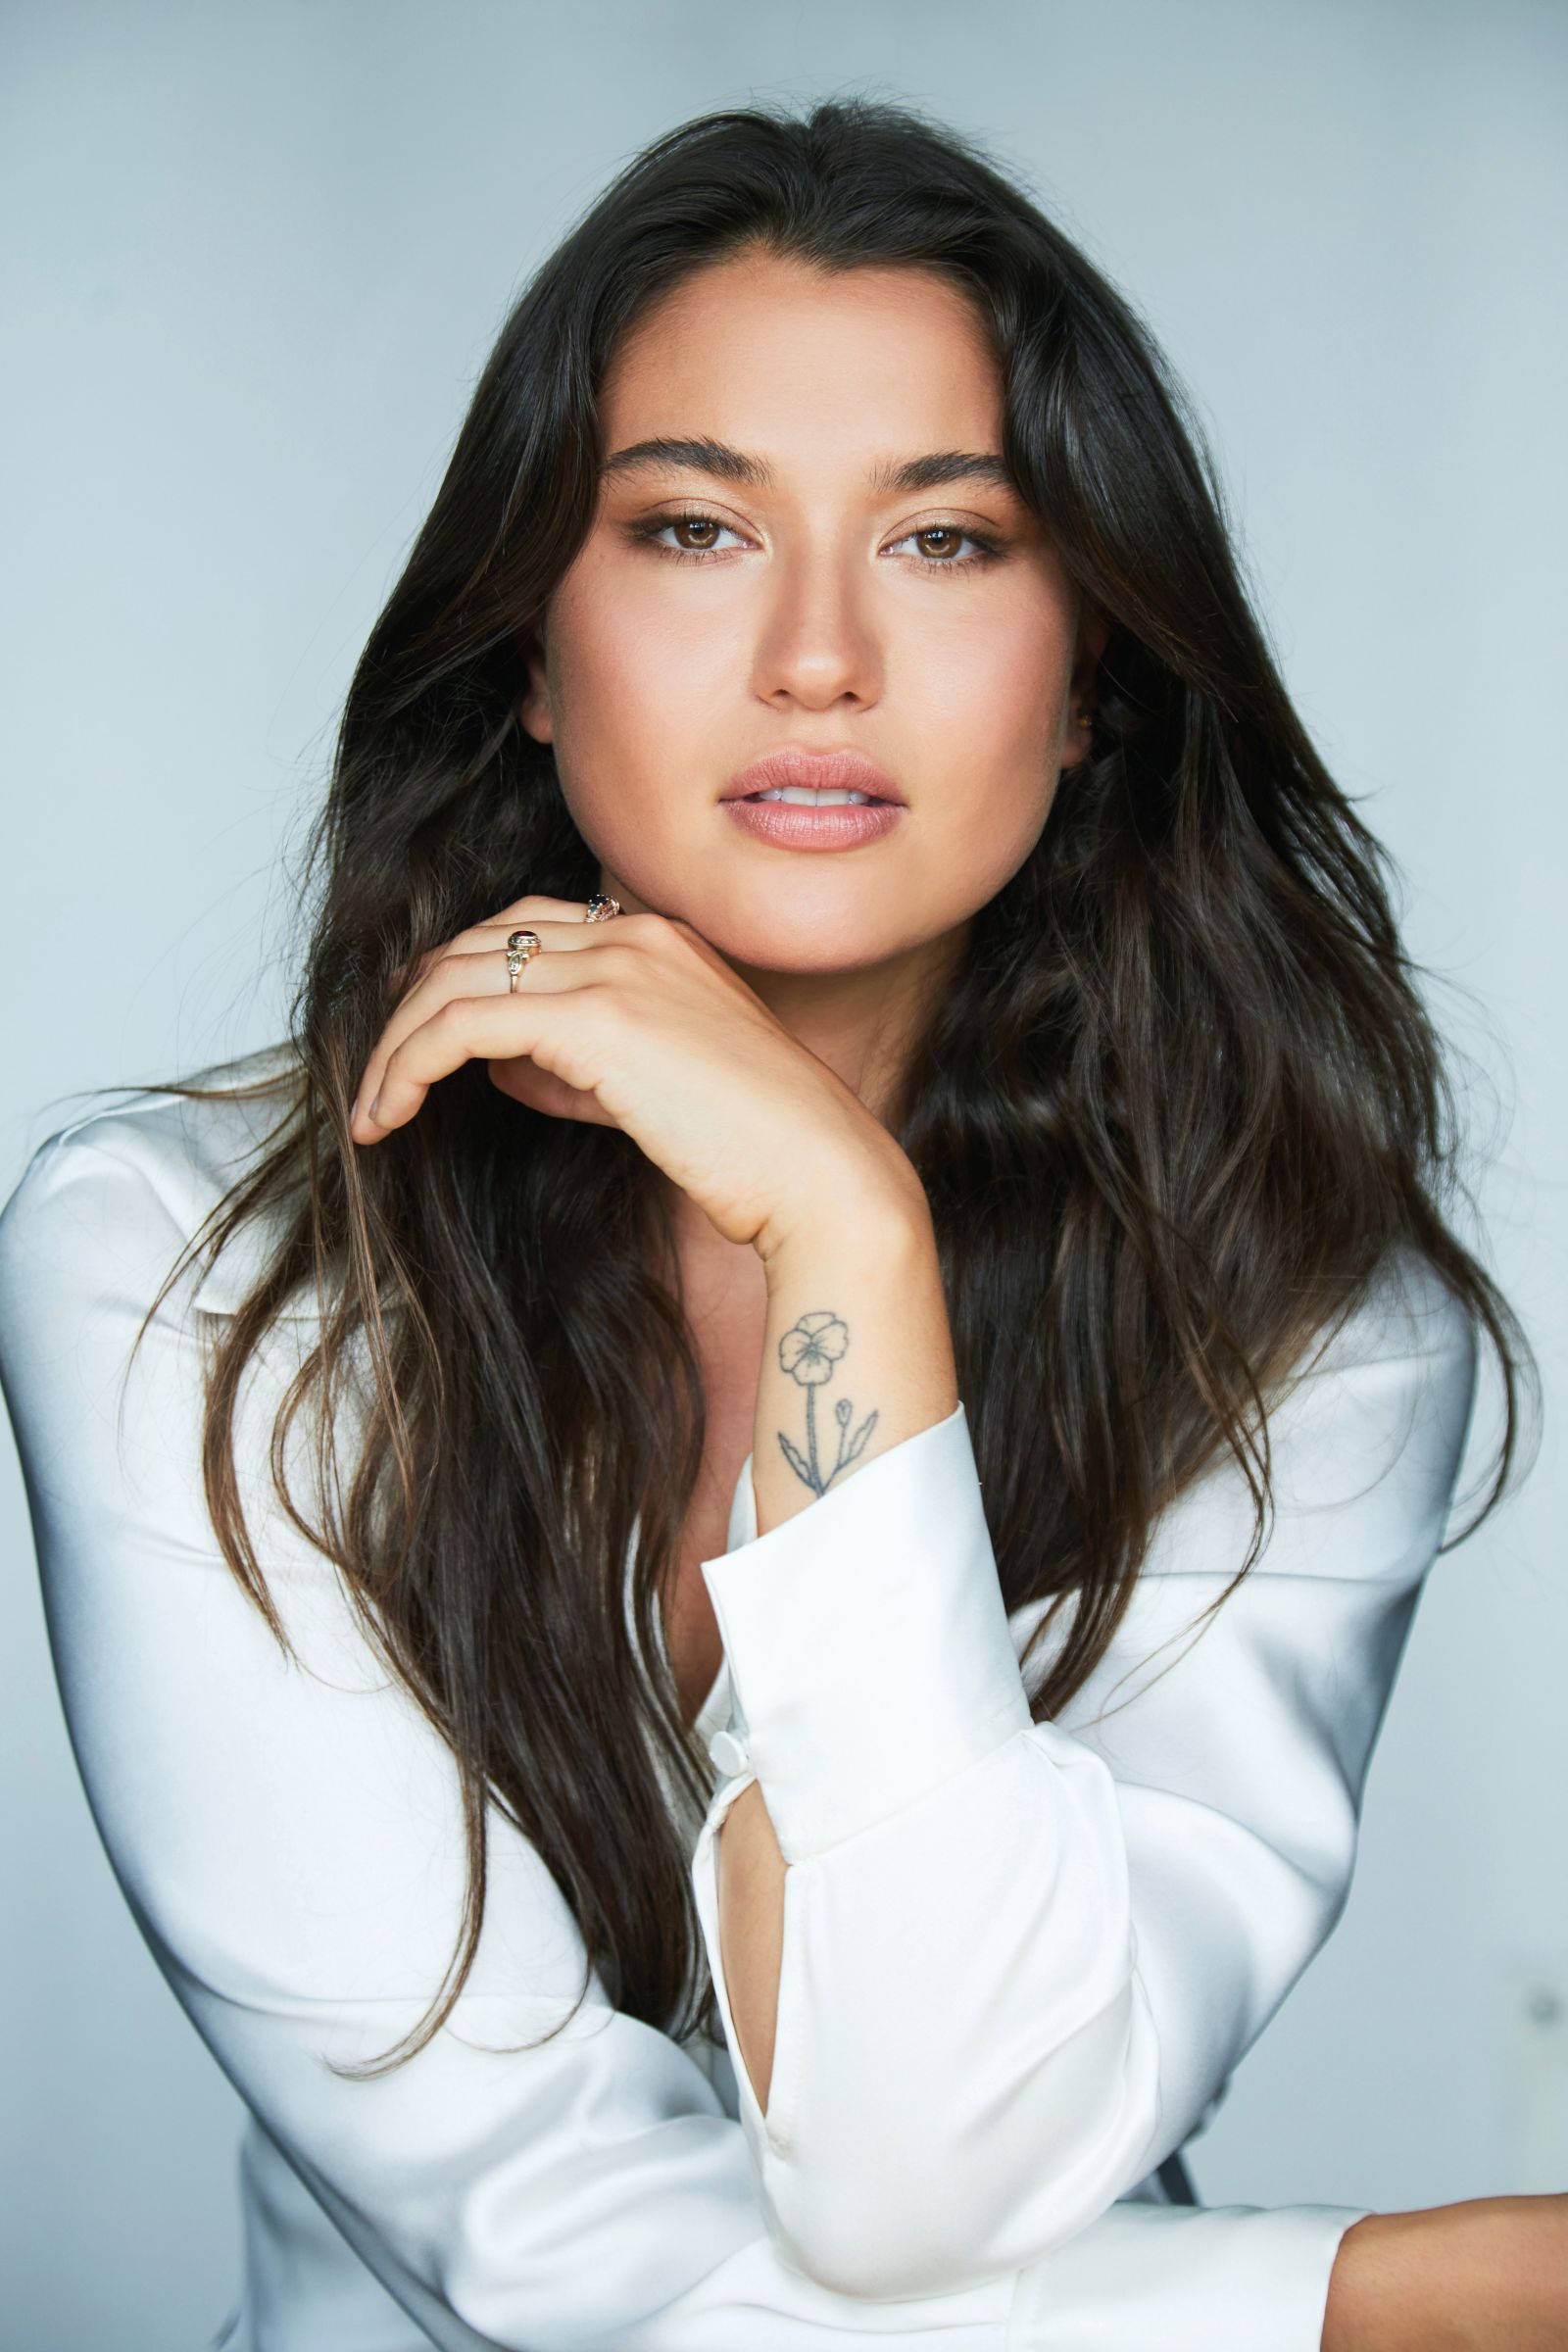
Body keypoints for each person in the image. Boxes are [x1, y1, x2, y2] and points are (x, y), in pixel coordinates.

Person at [0, 93, 1554, 2352]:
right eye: (690, 528)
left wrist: (844, 1230)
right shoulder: (181, 1276)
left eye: (943, 543)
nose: (818, 655)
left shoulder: (1303, 1313)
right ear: (529, 649)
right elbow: (537, 2251)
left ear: (1090, 672)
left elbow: (931, 2172)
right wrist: (1352, 2307)